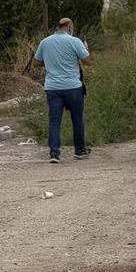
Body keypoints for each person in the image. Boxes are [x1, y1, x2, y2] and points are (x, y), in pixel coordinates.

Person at [33, 18, 93, 163]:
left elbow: (36, 63)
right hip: (73, 86)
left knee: (54, 121)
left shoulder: (45, 42)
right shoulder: (75, 41)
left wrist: (49, 62)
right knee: (77, 119)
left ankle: (54, 153)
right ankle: (79, 150)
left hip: (53, 88)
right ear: (69, 27)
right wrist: (86, 50)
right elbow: (88, 62)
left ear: (58, 27)